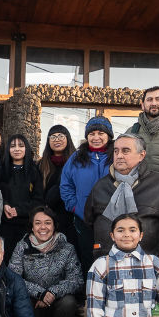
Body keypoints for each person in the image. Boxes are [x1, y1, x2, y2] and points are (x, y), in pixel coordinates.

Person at [86, 133, 159, 260]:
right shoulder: (100, 186)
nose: (119, 156)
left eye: (125, 151)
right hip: (106, 266)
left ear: (141, 155)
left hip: (147, 267)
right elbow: (88, 224)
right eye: (116, 151)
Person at [8, 206, 81, 317]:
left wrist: (52, 293)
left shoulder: (67, 248)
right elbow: (12, 278)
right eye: (38, 223)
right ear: (32, 227)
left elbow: (76, 279)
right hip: (33, 301)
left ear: (54, 226)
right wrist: (40, 293)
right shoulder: (22, 246)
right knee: (18, 299)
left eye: (48, 223)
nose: (43, 227)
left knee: (69, 303)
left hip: (57, 301)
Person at [60, 117, 114, 273]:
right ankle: (88, 294)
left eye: (100, 133)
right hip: (83, 219)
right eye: (92, 133)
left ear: (108, 135)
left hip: (111, 219)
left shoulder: (116, 155)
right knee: (87, 259)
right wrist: (75, 206)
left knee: (111, 259)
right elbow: (66, 185)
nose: (96, 137)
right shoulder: (77, 158)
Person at [0, 133, 44, 259]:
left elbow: (38, 200)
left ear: (26, 149)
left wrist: (19, 210)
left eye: (21, 146)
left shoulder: (33, 171)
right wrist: (5, 204)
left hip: (26, 226)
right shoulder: (0, 170)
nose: (17, 149)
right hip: (4, 225)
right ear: (8, 149)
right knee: (4, 259)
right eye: (12, 146)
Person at [38, 124, 76, 246]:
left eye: (61, 136)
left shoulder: (78, 161)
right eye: (53, 137)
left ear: (68, 138)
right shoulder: (41, 165)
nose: (57, 139)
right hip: (49, 219)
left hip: (73, 218)